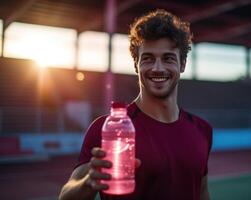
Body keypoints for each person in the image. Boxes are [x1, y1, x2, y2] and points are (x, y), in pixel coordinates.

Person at [59, 9, 212, 200]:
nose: (158, 68)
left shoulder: (202, 130)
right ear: (136, 65)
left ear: (182, 65)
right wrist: (89, 180)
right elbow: (65, 196)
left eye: (168, 58)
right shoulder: (107, 128)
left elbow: (202, 192)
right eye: (148, 58)